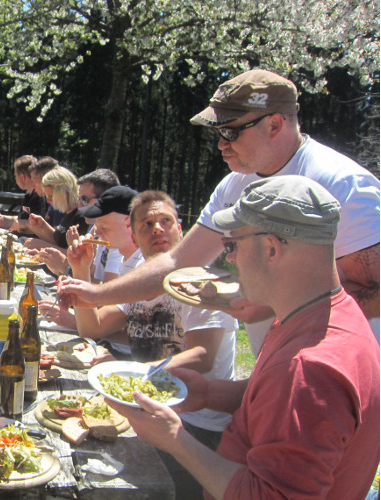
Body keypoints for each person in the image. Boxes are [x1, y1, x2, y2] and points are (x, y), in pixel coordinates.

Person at [57, 68, 380, 352]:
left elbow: (372, 294)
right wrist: (96, 295)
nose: (221, 144)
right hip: (281, 364)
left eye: (231, 131)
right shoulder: (234, 185)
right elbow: (177, 261)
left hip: (337, 374)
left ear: (275, 124)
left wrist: (266, 305)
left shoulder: (341, 183)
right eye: (218, 133)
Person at [111, 176, 379, 499]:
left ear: (271, 249)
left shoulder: (308, 369)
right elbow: (275, 404)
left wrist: (173, 438)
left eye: (232, 246)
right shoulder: (329, 314)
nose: (230, 260)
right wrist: (209, 392)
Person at [72, 190, 238, 499]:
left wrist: (129, 372)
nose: (157, 229)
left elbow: (203, 356)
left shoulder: (202, 282)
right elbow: (92, 327)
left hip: (194, 424)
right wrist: (80, 271)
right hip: (147, 408)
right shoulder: (141, 280)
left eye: (166, 221)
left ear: (181, 230)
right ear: (134, 237)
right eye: (147, 225)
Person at [39, 185, 140, 332]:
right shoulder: (127, 260)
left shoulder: (141, 266)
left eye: (104, 227)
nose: (97, 233)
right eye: (96, 226)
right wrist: (80, 270)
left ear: (129, 225)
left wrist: (72, 320)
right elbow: (92, 329)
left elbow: (95, 329)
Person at [40, 169, 121, 279]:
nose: (79, 206)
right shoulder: (94, 229)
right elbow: (90, 277)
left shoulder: (118, 239)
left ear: (106, 199)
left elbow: (109, 292)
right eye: (79, 199)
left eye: (84, 199)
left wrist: (65, 266)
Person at [24, 165, 89, 249]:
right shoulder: (68, 212)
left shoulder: (81, 217)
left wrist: (42, 245)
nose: (48, 200)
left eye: (50, 196)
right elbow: (58, 241)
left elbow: (76, 257)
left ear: (62, 193)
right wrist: (42, 226)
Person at [0, 155, 47, 232]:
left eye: (15, 176)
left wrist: (6, 223)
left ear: (22, 176)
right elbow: (22, 219)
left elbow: (36, 225)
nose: (15, 179)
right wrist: (1, 217)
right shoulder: (28, 194)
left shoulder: (39, 196)